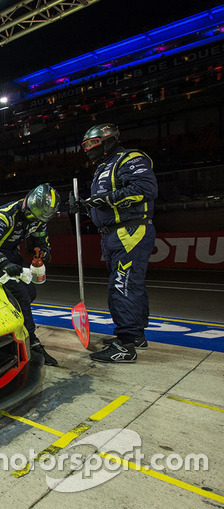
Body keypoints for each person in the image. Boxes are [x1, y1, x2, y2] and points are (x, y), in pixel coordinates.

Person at [71, 123, 158, 363]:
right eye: (85, 145)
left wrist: (105, 199)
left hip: (129, 231)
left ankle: (126, 345)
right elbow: (103, 200)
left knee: (122, 286)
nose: (88, 149)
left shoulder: (130, 158)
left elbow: (144, 188)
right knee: (128, 284)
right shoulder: (102, 168)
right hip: (112, 234)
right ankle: (136, 335)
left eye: (92, 143)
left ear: (108, 140)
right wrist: (86, 204)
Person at [0, 183, 60, 367]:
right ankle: (33, 341)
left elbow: (40, 236)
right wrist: (3, 263)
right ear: (28, 204)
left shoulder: (39, 215)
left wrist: (44, 250)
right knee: (20, 293)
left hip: (12, 252)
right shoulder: (5, 217)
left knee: (30, 293)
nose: (36, 219)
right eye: (33, 215)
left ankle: (8, 326)